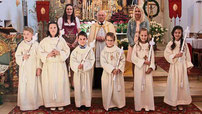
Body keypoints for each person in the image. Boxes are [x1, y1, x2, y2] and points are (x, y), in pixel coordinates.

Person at [38, 22, 71, 111]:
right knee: (50, 83)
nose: (53, 29)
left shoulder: (61, 40)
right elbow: (39, 52)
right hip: (49, 66)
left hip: (59, 65)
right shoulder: (44, 41)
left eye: (54, 27)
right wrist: (48, 54)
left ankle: (60, 103)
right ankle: (51, 103)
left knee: (60, 83)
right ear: (48, 29)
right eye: (51, 28)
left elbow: (67, 51)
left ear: (57, 29)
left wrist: (59, 52)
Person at [164, 26, 193, 111]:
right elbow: (167, 55)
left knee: (182, 85)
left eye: (179, 33)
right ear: (173, 34)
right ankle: (173, 102)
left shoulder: (184, 45)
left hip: (182, 67)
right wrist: (176, 55)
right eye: (176, 33)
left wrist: (188, 67)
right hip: (174, 67)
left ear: (181, 34)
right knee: (174, 85)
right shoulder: (170, 44)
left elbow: (187, 56)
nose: (177, 34)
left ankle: (181, 102)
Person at [15, 27, 43, 111]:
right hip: (24, 69)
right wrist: (23, 57)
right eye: (24, 34)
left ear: (32, 35)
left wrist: (39, 67)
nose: (25, 36)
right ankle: (25, 104)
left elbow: (39, 57)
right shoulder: (21, 45)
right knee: (25, 85)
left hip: (33, 68)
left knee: (33, 85)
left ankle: (34, 103)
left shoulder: (36, 44)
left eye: (27, 34)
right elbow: (17, 56)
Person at [88, 10, 116, 89]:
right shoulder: (94, 26)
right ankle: (97, 84)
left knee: (106, 63)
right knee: (97, 65)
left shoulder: (109, 25)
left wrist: (106, 38)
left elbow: (113, 37)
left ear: (105, 16)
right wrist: (95, 38)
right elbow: (90, 38)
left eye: (102, 15)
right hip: (97, 47)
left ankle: (106, 84)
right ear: (97, 16)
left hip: (106, 47)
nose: (101, 17)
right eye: (99, 15)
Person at [131, 28, 155, 111]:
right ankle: (139, 105)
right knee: (139, 86)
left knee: (148, 87)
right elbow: (133, 58)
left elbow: (152, 58)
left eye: (145, 35)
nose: (144, 37)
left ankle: (148, 105)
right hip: (139, 69)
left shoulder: (150, 46)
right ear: (139, 36)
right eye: (142, 35)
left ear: (148, 36)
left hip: (147, 70)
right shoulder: (136, 46)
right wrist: (143, 62)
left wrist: (151, 67)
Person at [70, 31, 95, 110]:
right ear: (77, 39)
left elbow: (92, 60)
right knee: (78, 88)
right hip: (78, 73)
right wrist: (78, 66)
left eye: (84, 39)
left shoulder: (89, 50)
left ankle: (87, 104)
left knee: (86, 88)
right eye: (80, 39)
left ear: (87, 39)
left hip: (86, 73)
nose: (82, 41)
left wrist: (84, 66)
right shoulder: (75, 51)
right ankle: (79, 104)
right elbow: (72, 61)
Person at [100, 32, 125, 111]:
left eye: (111, 40)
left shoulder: (118, 50)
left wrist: (119, 69)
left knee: (116, 90)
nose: (109, 42)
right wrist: (112, 69)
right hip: (108, 74)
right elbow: (103, 63)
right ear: (105, 41)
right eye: (108, 40)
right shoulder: (103, 52)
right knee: (108, 89)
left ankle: (118, 104)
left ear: (114, 41)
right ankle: (109, 105)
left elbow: (123, 60)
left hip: (117, 74)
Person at [58, 4, 81, 89]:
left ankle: (73, 82)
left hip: (74, 43)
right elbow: (59, 33)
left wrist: (75, 42)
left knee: (73, 63)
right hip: (64, 43)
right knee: (65, 63)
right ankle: (65, 83)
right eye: (67, 9)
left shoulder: (76, 19)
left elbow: (79, 32)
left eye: (70, 9)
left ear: (72, 10)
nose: (69, 11)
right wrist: (65, 43)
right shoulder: (61, 20)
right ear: (65, 10)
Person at [127, 5, 150, 88]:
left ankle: (143, 81)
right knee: (134, 63)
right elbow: (128, 33)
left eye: (138, 11)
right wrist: (132, 43)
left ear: (141, 12)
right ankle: (135, 82)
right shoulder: (131, 21)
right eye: (136, 11)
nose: (137, 13)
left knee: (142, 62)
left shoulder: (145, 21)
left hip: (142, 44)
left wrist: (142, 43)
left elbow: (147, 32)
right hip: (133, 44)